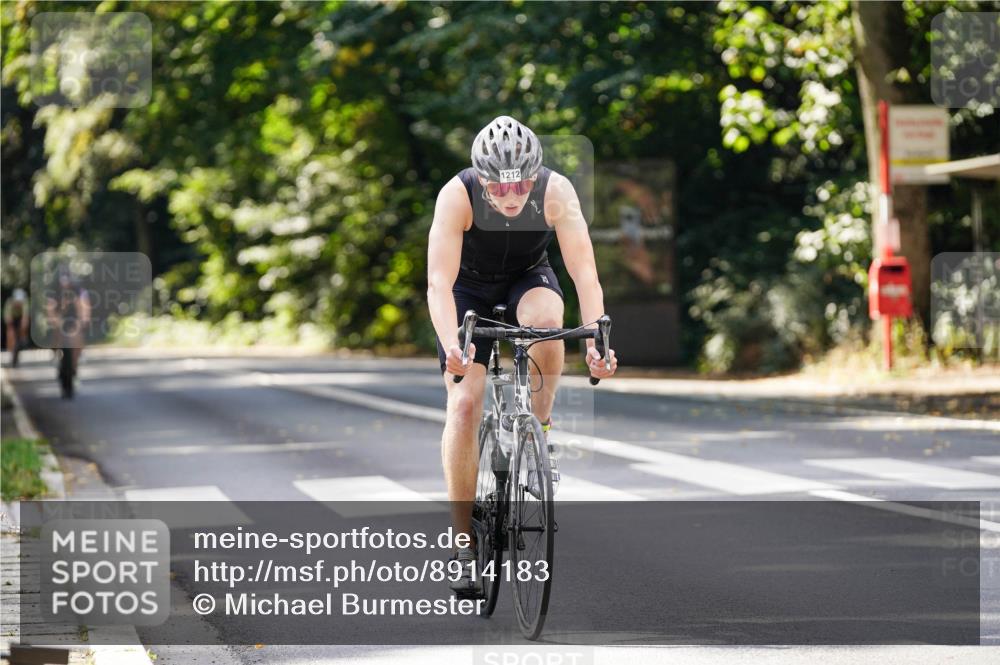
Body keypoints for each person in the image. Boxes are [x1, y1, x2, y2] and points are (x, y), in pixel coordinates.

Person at [426, 116, 618, 596]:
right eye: (499, 186)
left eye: (521, 184)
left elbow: (585, 274)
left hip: (527, 277)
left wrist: (597, 339)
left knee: (549, 320)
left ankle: (540, 427)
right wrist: (453, 344)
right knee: (465, 404)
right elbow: (438, 283)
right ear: (482, 179)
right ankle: (463, 543)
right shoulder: (457, 195)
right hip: (467, 290)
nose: (511, 195)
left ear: (535, 176)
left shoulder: (557, 192)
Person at [45, 269, 91, 377]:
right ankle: (55, 354)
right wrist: (53, 319)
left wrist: (83, 320)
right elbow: (50, 308)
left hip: (74, 317)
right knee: (57, 333)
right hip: (60, 317)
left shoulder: (78, 290)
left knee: (77, 336)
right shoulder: (54, 291)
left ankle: (78, 356)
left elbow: (84, 306)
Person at [4, 288, 30, 366]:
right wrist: (10, 329)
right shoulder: (9, 303)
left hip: (20, 319)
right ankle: (11, 349)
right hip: (12, 319)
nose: (19, 303)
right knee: (10, 333)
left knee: (24, 323)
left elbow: (25, 316)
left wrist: (23, 328)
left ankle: (23, 338)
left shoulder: (25, 303)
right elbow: (7, 317)